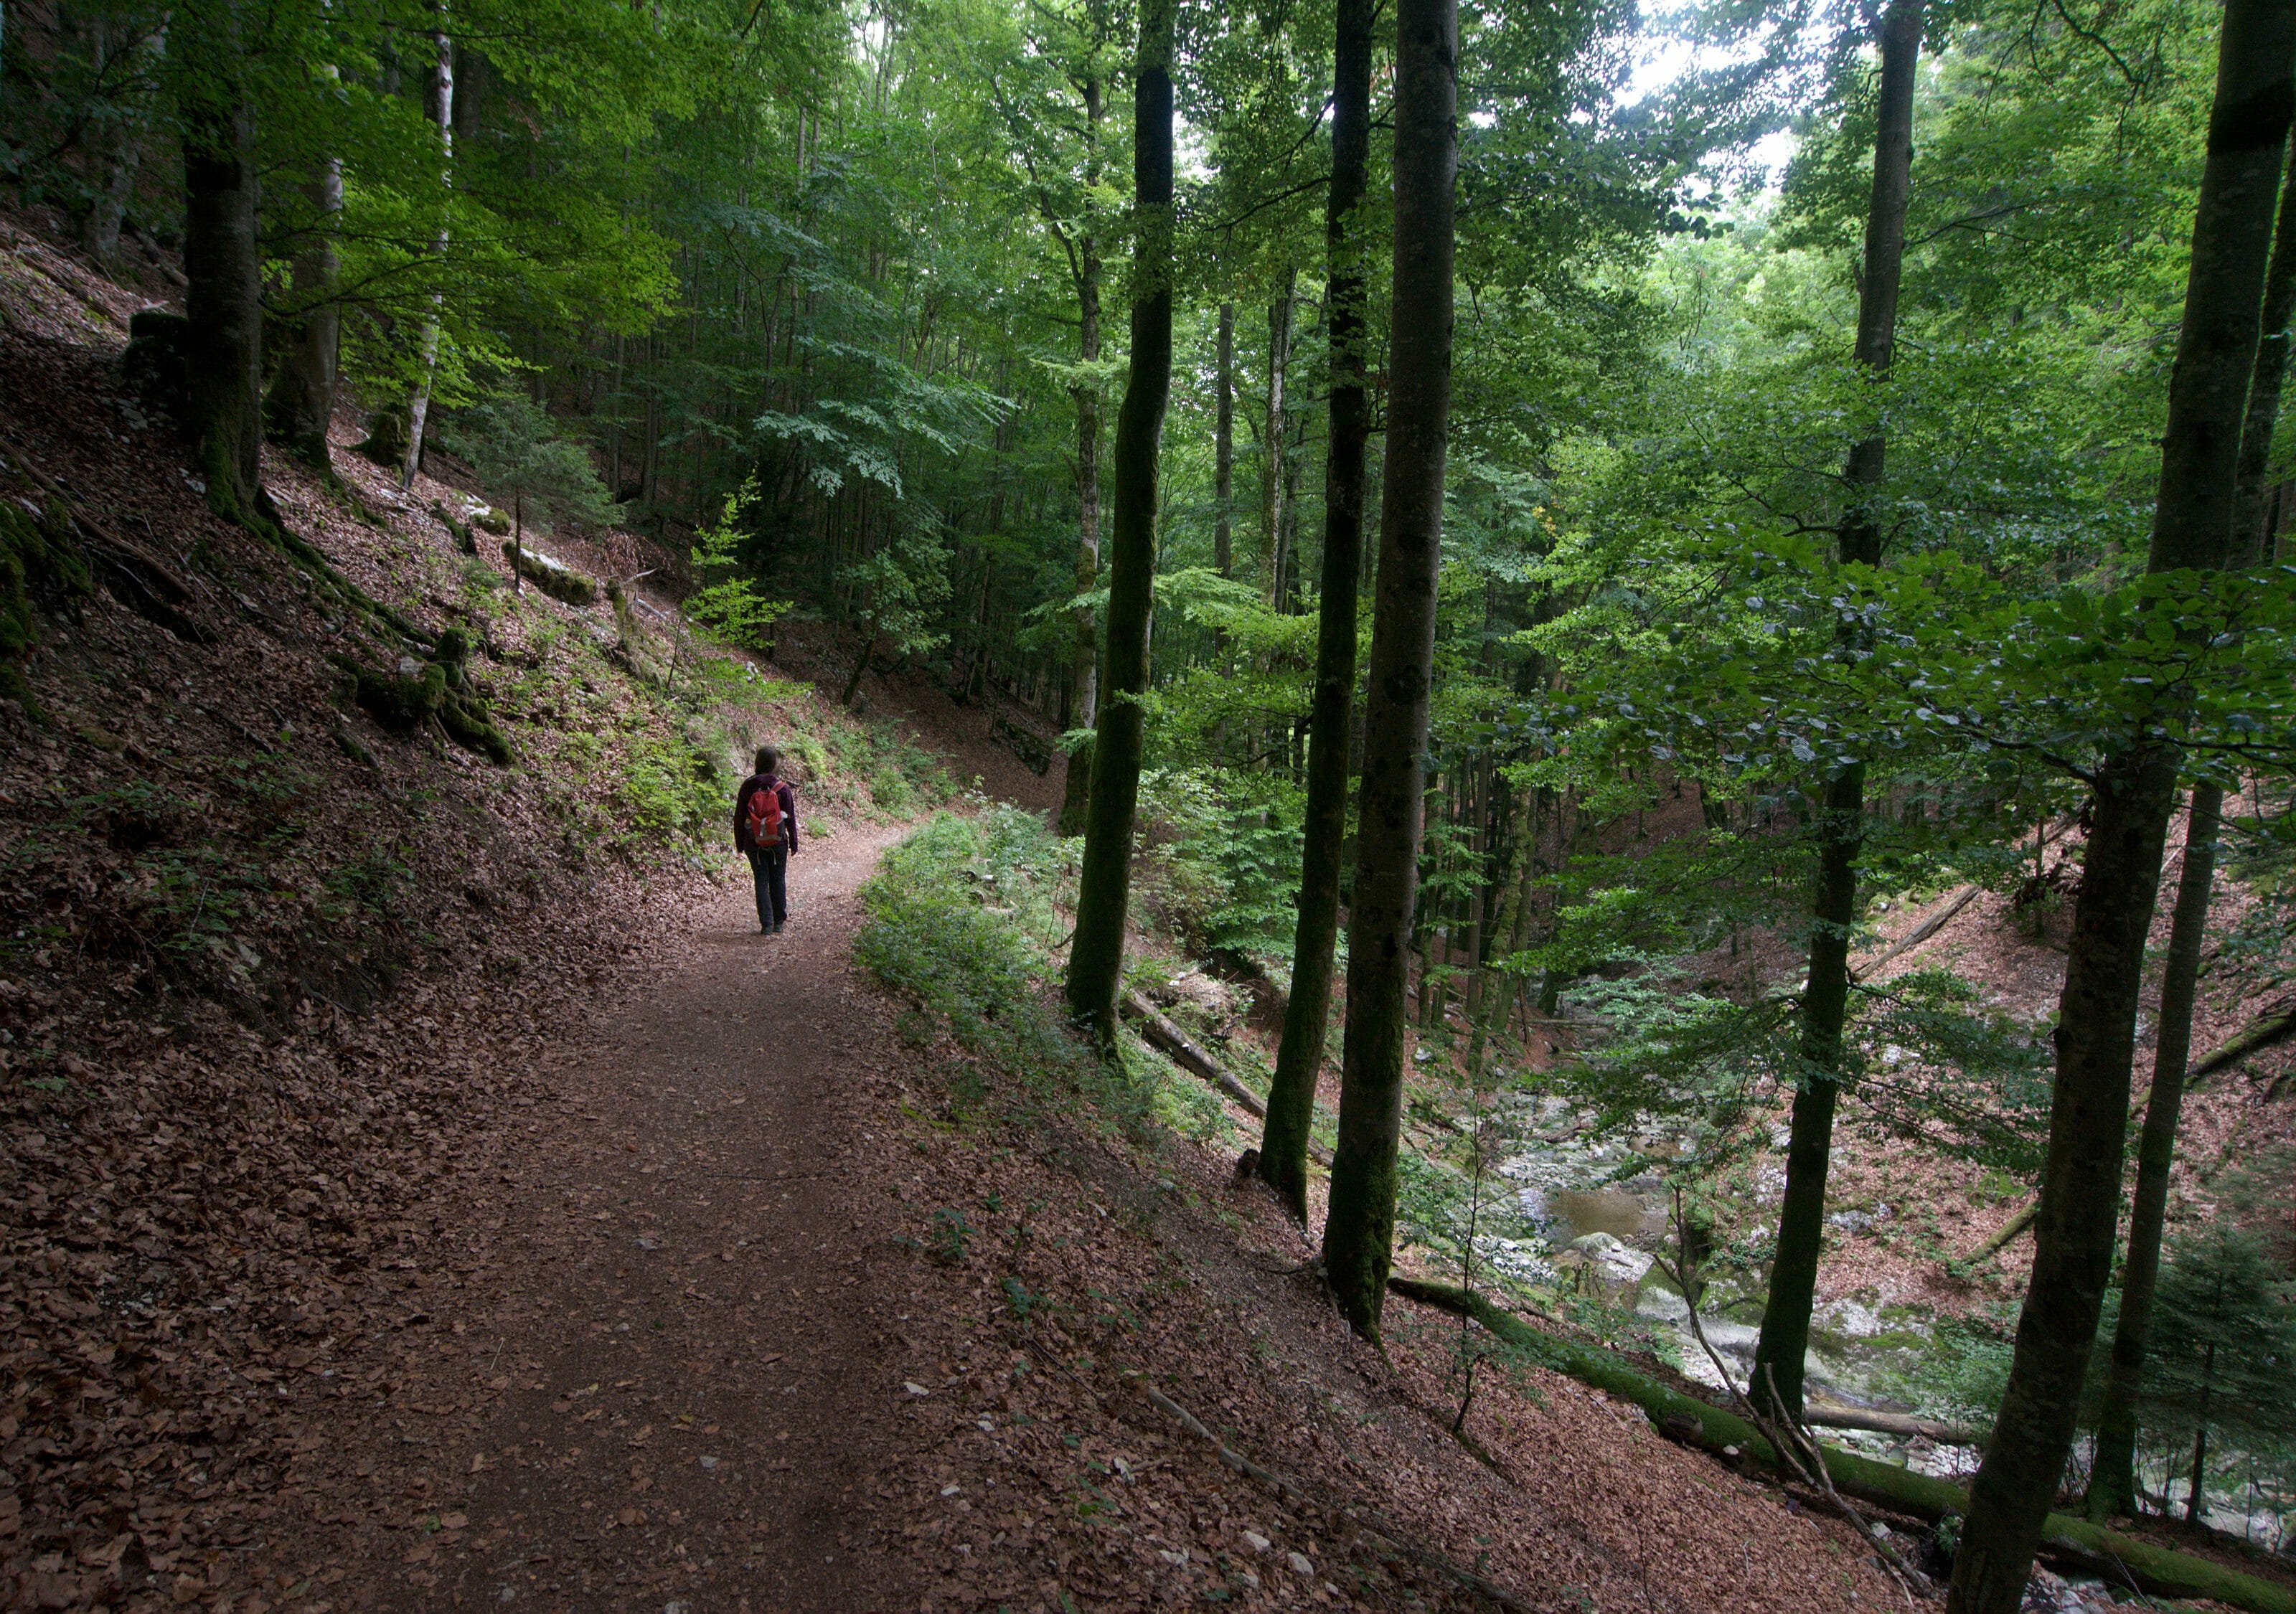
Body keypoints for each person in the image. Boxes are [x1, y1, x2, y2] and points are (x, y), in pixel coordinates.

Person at [733, 745, 799, 934]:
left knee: (761, 879)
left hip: (754, 842)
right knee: (778, 878)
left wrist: (740, 843)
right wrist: (793, 843)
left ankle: (767, 924)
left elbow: (739, 817)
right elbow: (790, 818)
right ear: (774, 765)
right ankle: (779, 921)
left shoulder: (748, 786)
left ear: (757, 762)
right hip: (778, 841)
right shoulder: (782, 788)